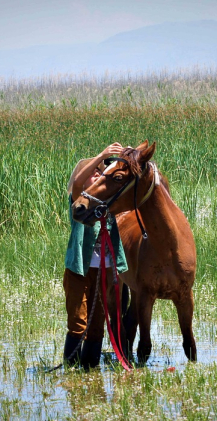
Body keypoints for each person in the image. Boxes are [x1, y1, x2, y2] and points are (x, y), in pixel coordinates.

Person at [63, 142, 129, 369]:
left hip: (104, 271)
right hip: (79, 270)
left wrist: (128, 158)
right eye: (93, 173)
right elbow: (79, 182)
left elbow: (125, 183)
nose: (96, 176)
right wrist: (101, 154)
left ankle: (90, 369)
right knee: (78, 322)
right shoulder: (78, 200)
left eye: (99, 173)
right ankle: (71, 368)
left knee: (96, 324)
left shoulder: (107, 202)